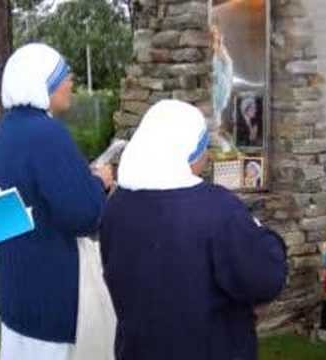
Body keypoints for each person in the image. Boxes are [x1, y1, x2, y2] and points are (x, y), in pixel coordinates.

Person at [100, 99, 287, 360]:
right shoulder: (217, 209)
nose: (207, 155)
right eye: (203, 148)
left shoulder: (116, 206)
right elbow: (264, 279)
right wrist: (267, 237)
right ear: (191, 152)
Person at [0, 43, 113, 360]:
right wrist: (99, 182)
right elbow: (83, 215)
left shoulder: (7, 132)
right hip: (51, 290)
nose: (71, 82)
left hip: (19, 290)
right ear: (42, 83)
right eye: (63, 76)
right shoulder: (46, 134)